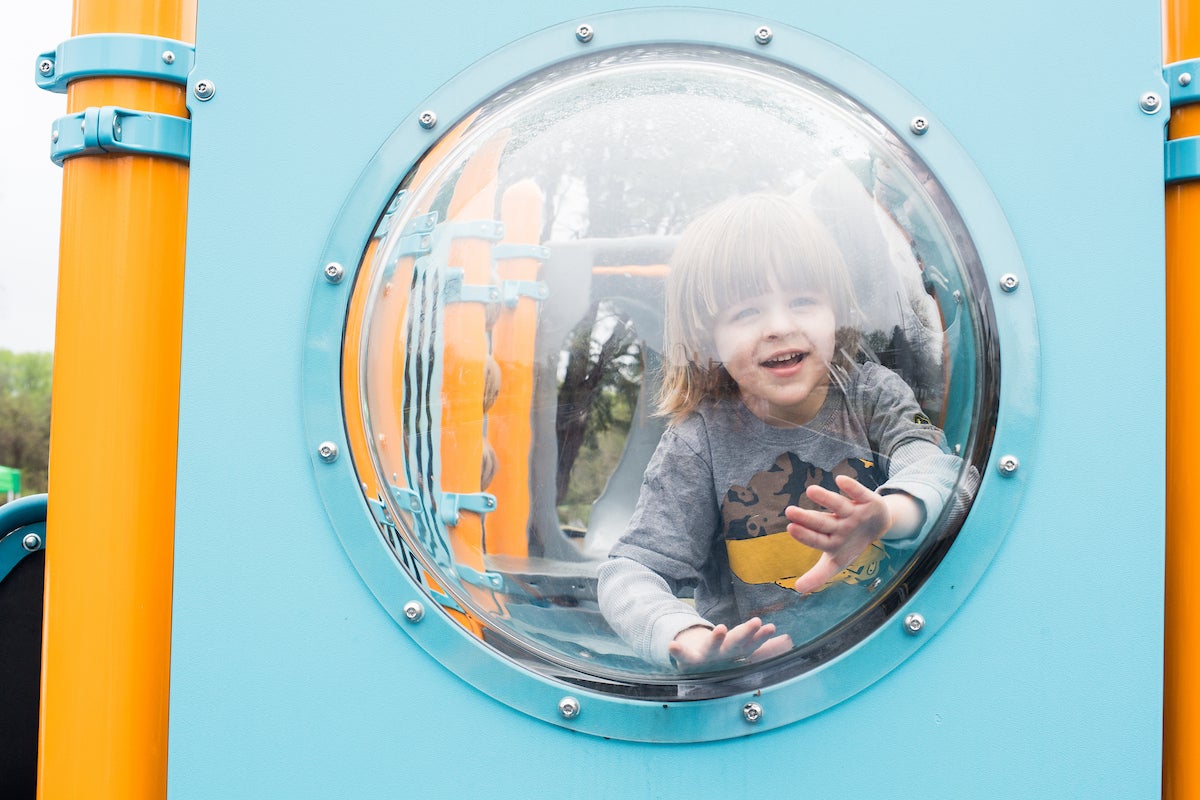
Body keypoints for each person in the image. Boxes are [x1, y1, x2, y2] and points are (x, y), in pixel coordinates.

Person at [597, 193, 966, 671]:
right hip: (756, 691)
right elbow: (632, 569)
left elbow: (940, 469)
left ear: (837, 311)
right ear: (707, 339)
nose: (779, 325)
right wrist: (683, 635)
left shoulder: (871, 395)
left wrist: (888, 514)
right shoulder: (699, 443)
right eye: (747, 312)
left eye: (802, 301)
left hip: (886, 666)